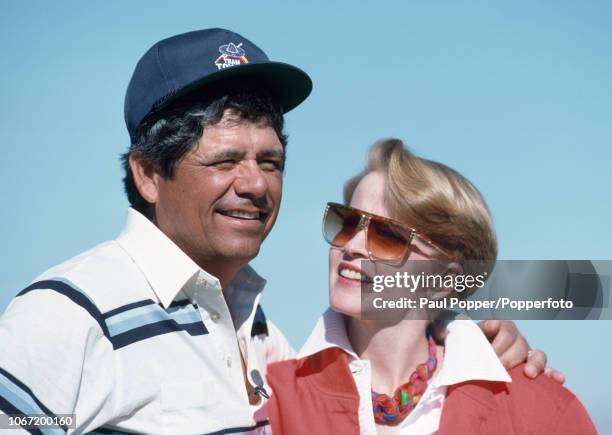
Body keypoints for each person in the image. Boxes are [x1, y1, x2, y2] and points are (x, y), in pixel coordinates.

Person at [0, 29, 554, 434]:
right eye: (223, 161)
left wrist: (468, 343)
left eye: (271, 161)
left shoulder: (258, 333)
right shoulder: (68, 316)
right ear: (148, 173)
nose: (255, 185)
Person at [266, 139, 596, 434]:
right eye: (348, 222)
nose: (351, 245)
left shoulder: (541, 412)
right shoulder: (269, 401)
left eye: (386, 235)